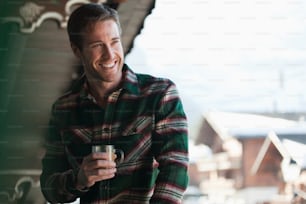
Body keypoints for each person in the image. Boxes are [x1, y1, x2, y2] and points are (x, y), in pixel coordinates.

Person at [40, 3, 189, 204]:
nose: (110, 55)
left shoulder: (160, 94)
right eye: (97, 45)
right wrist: (79, 179)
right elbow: (50, 188)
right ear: (77, 51)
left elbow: (175, 167)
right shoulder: (64, 109)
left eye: (114, 42)